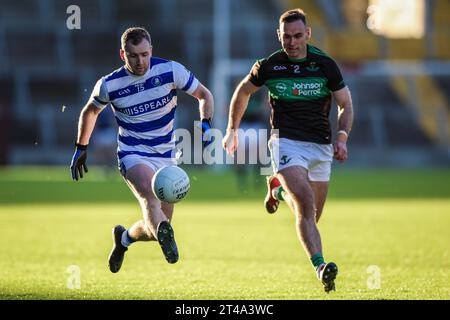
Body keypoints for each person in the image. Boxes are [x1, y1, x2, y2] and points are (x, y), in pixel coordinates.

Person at [222, 9, 354, 293]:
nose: (292, 43)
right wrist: (232, 129)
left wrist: (342, 137)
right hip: (286, 143)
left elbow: (345, 103)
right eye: (286, 37)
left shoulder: (325, 65)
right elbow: (243, 92)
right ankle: (320, 267)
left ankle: (278, 190)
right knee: (306, 204)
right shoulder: (269, 66)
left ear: (308, 34)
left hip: (320, 147)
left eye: (297, 36)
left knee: (312, 216)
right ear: (278, 36)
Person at [70, 27, 214, 273]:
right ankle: (162, 238)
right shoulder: (110, 84)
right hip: (133, 153)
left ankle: (124, 238)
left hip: (167, 156)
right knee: (149, 195)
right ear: (122, 55)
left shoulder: (170, 70)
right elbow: (90, 111)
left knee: (157, 227)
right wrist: (81, 146)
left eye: (145, 54)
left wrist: (206, 125)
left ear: (151, 51)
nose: (140, 61)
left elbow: (204, 94)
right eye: (133, 55)